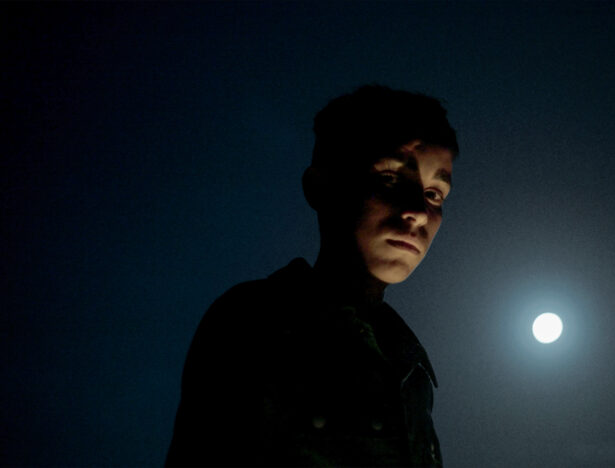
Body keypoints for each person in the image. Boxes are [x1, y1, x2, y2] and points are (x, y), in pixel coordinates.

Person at [165, 85, 459, 467]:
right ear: (321, 186)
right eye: (389, 177)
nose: (418, 212)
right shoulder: (255, 321)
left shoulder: (409, 362)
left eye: (435, 194)